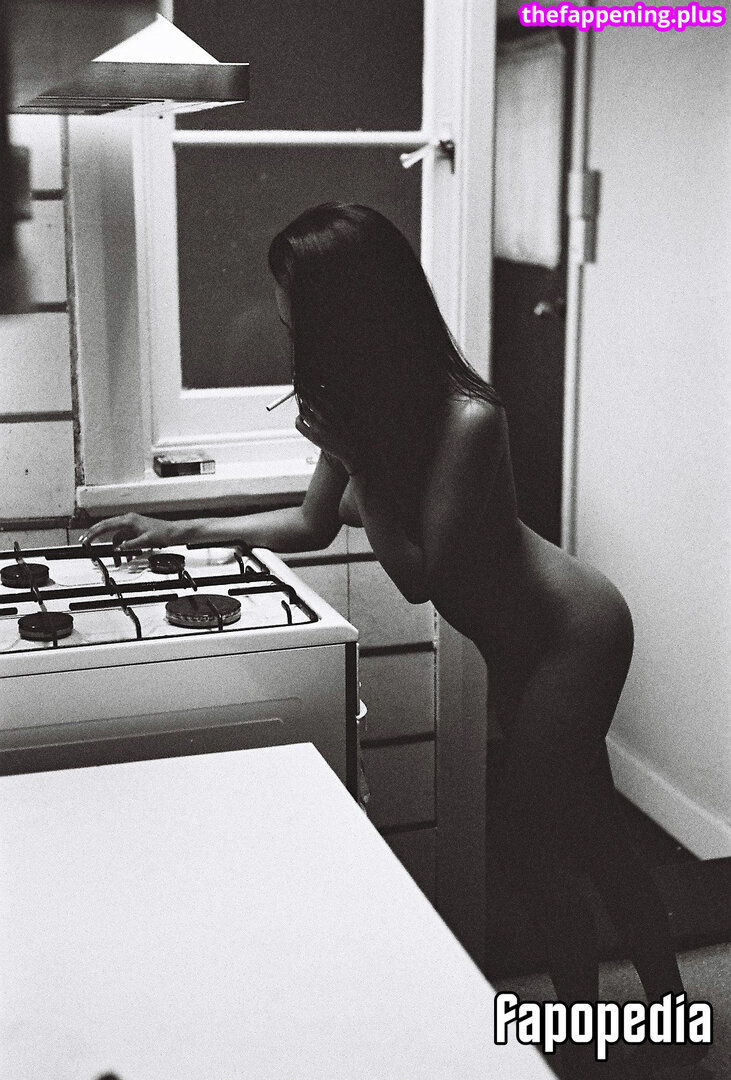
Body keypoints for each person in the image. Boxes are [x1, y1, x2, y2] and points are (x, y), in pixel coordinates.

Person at [82, 203, 696, 1078]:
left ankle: (586, 1039)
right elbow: (307, 523)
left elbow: (418, 576)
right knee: (591, 832)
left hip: (572, 633)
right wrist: (177, 530)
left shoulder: (468, 418)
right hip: (520, 643)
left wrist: (360, 460)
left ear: (350, 312)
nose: (288, 329)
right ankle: (658, 1033)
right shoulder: (363, 406)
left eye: (297, 311)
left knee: (530, 841)